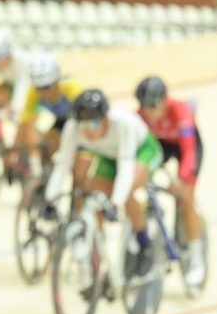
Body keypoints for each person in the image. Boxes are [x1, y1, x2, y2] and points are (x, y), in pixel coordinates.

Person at [46, 89, 163, 283]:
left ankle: (145, 246)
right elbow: (63, 165)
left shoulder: (122, 124)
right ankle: (98, 259)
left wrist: (115, 204)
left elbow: (125, 167)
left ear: (105, 118)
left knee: (127, 189)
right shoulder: (72, 128)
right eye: (83, 125)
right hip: (109, 156)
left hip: (141, 150)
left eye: (93, 123)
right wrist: (51, 200)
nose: (88, 131)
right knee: (90, 196)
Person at [135, 76, 206, 284]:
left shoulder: (180, 111)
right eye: (144, 106)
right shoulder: (139, 116)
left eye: (153, 106)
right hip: (161, 146)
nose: (149, 111)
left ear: (165, 100)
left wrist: (182, 179)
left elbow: (189, 153)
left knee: (185, 197)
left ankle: (196, 255)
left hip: (185, 146)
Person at [14, 51, 84, 166]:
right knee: (45, 148)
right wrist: (16, 150)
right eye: (39, 88)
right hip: (62, 121)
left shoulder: (71, 89)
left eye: (47, 87)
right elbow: (25, 123)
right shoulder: (33, 93)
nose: (43, 93)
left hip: (79, 122)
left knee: (77, 162)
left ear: (56, 81)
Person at [0, 29, 31, 119]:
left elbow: (22, 85)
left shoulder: (23, 61)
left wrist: (16, 107)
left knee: (18, 110)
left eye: (0, 58)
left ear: (9, 55)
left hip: (30, 85)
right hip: (11, 83)